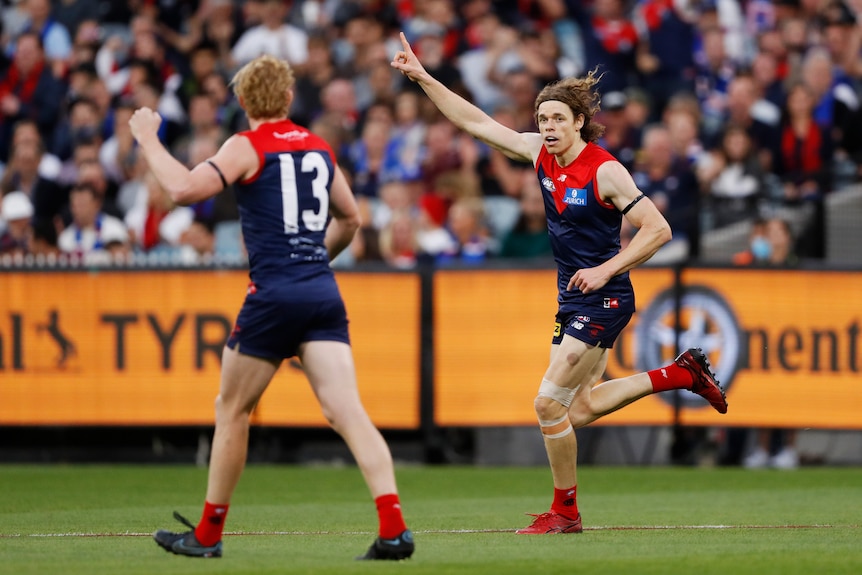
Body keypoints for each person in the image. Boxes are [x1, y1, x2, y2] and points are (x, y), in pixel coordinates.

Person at [392, 32, 728, 534]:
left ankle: (565, 511)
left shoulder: (605, 170)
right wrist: (422, 78)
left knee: (548, 405)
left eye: (557, 119)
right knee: (581, 408)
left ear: (579, 124)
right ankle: (680, 375)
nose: (547, 127)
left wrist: (607, 269)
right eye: (542, 118)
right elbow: (474, 121)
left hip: (606, 296)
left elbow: (659, 229)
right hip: (573, 297)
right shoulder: (540, 155)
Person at [128, 54, 413, 560]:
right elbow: (350, 219)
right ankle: (393, 528)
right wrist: (314, 259)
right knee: (347, 411)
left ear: (241, 101)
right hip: (321, 291)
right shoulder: (318, 147)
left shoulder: (245, 145)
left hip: (274, 294)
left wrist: (148, 137)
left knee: (231, 409)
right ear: (287, 98)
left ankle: (209, 535)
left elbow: (181, 189)